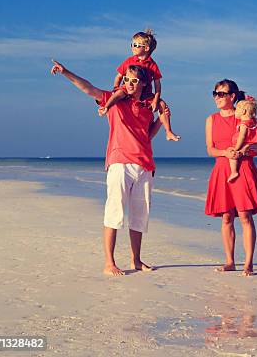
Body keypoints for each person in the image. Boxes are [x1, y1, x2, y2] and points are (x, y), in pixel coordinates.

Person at [51, 59, 167, 276]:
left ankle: (136, 260)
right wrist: (66, 72)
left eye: (135, 81)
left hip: (144, 165)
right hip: (119, 163)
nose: (130, 84)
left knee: (140, 216)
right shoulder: (115, 102)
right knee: (114, 213)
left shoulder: (146, 107)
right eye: (127, 80)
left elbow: (147, 136)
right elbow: (88, 88)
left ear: (143, 83)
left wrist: (162, 117)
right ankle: (109, 262)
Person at [204, 79, 257, 276]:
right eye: (215, 93)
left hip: (244, 167)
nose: (217, 97)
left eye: (221, 94)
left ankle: (248, 263)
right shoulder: (211, 119)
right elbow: (210, 149)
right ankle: (230, 261)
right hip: (223, 168)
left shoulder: (244, 116)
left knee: (244, 215)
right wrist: (226, 152)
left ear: (232, 96)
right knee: (226, 217)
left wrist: (249, 148)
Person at [98, 29, 181, 142]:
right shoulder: (129, 61)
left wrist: (156, 100)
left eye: (136, 45)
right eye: (132, 44)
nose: (133, 47)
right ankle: (106, 107)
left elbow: (157, 85)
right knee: (118, 93)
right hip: (128, 88)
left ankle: (168, 131)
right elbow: (118, 77)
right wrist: (115, 87)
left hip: (146, 93)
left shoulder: (152, 65)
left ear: (146, 48)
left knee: (163, 105)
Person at [228, 95, 257, 183]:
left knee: (232, 156)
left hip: (244, 148)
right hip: (254, 149)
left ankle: (234, 172)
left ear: (243, 111)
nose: (235, 111)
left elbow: (242, 137)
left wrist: (236, 148)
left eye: (237, 109)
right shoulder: (254, 122)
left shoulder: (243, 124)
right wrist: (253, 118)